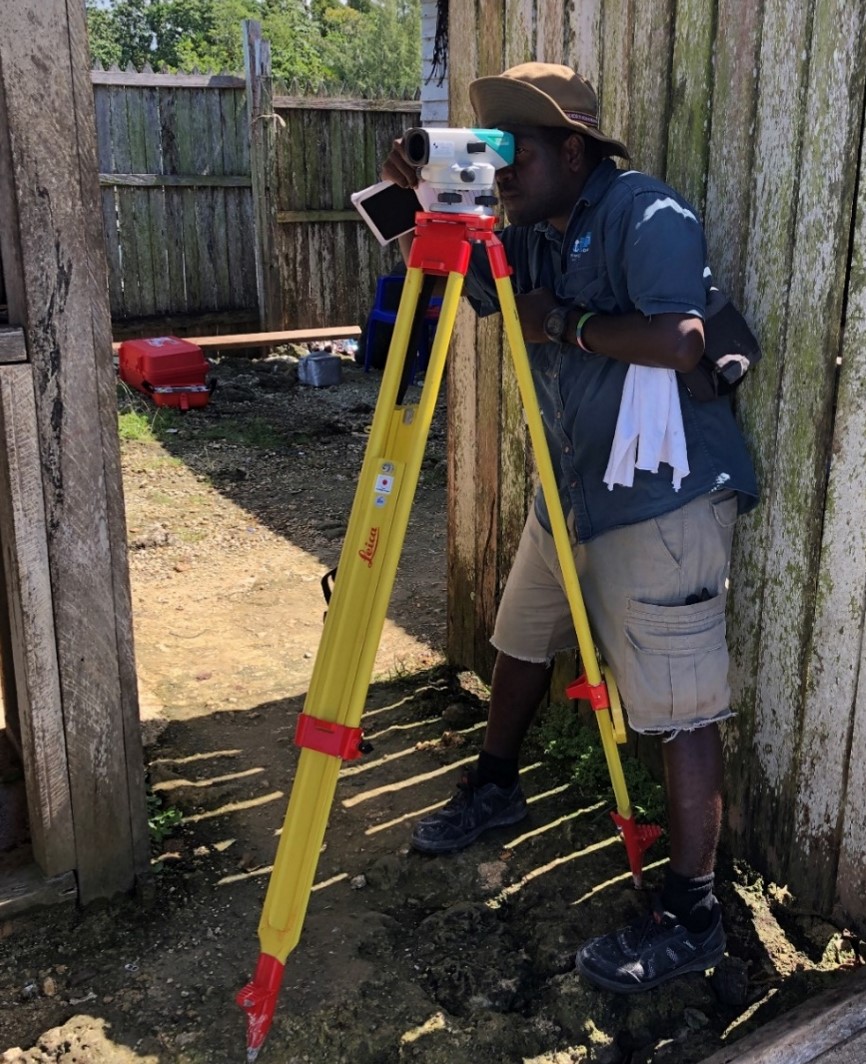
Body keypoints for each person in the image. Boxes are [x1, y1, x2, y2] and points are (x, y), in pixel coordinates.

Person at [381, 62, 758, 995]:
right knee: (520, 635)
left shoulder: (646, 213)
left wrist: (571, 324)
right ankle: (496, 784)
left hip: (660, 497)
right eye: (492, 152)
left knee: (681, 704)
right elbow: (483, 292)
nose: (501, 169)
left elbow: (680, 340)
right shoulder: (534, 232)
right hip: (575, 490)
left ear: (574, 149)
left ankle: (695, 909)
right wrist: (422, 198)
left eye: (516, 151)